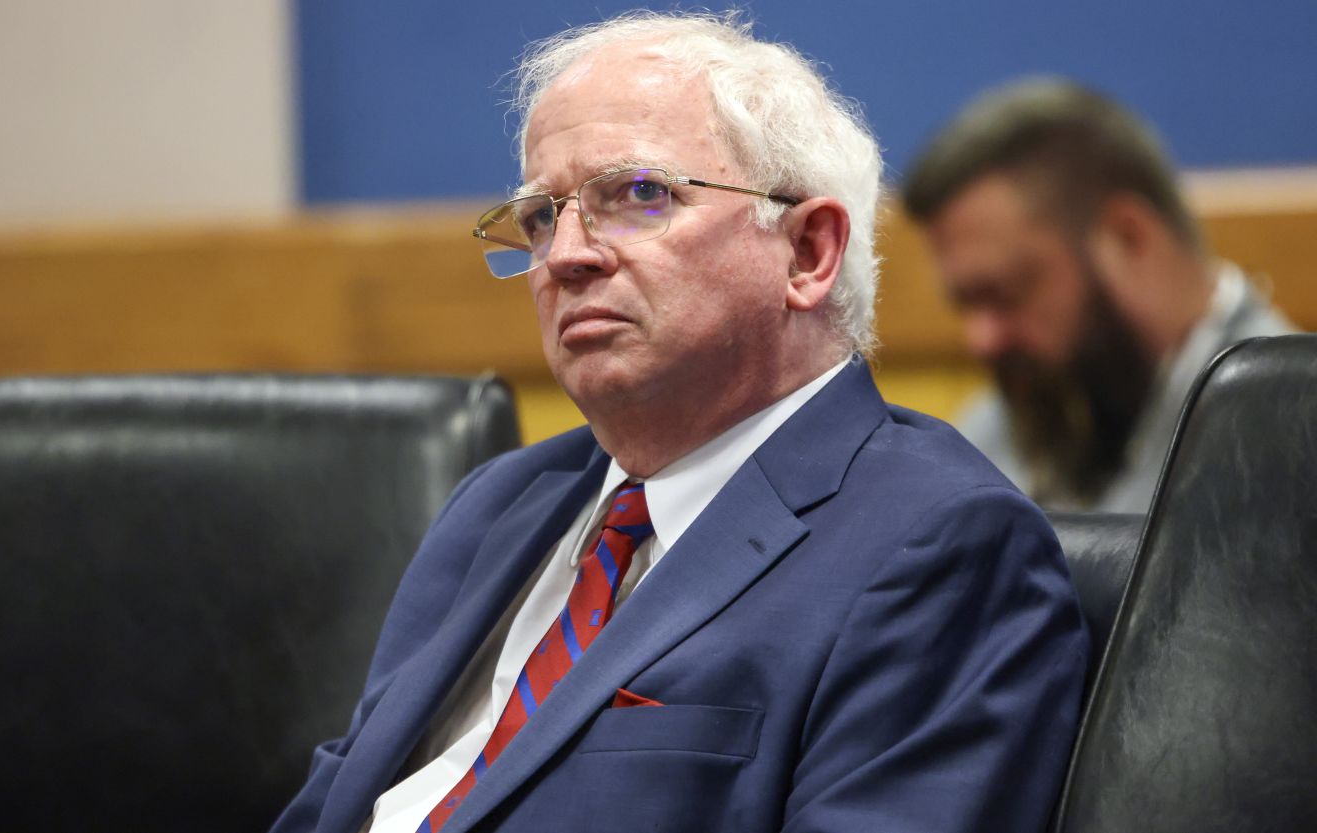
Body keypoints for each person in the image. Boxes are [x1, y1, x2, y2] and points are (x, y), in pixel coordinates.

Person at [273, 12, 1087, 833]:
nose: (566, 256)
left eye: (637, 196)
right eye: (542, 217)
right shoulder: (500, 504)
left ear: (807, 253)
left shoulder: (942, 545)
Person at [902, 78, 1296, 512]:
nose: (981, 339)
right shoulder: (995, 433)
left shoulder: (1294, 432)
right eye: (967, 305)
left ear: (1128, 238)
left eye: (1006, 294)